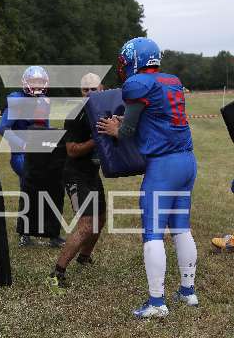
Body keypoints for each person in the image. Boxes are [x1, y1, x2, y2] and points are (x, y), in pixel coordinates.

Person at [97, 37, 198, 319]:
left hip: (164, 165)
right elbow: (154, 117)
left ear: (133, 61)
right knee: (181, 227)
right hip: (187, 160)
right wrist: (126, 123)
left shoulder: (138, 83)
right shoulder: (171, 80)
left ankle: (156, 302)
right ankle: (188, 292)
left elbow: (128, 131)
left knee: (153, 232)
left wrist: (116, 129)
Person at [46, 73, 106, 294]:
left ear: (102, 88)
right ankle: (57, 273)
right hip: (75, 175)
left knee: (101, 219)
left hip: (92, 174)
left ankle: (84, 257)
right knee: (87, 224)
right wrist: (97, 139)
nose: (89, 93)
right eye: (85, 90)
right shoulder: (75, 115)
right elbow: (72, 150)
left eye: (93, 89)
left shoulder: (106, 110)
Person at [0, 66, 65, 248]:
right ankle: (25, 234)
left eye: (40, 81)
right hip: (22, 155)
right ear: (25, 82)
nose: (37, 85)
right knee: (30, 190)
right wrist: (22, 144)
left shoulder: (43, 101)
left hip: (40, 153)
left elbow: (45, 128)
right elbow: (3, 128)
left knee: (52, 190)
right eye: (34, 81)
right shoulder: (17, 100)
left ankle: (52, 234)